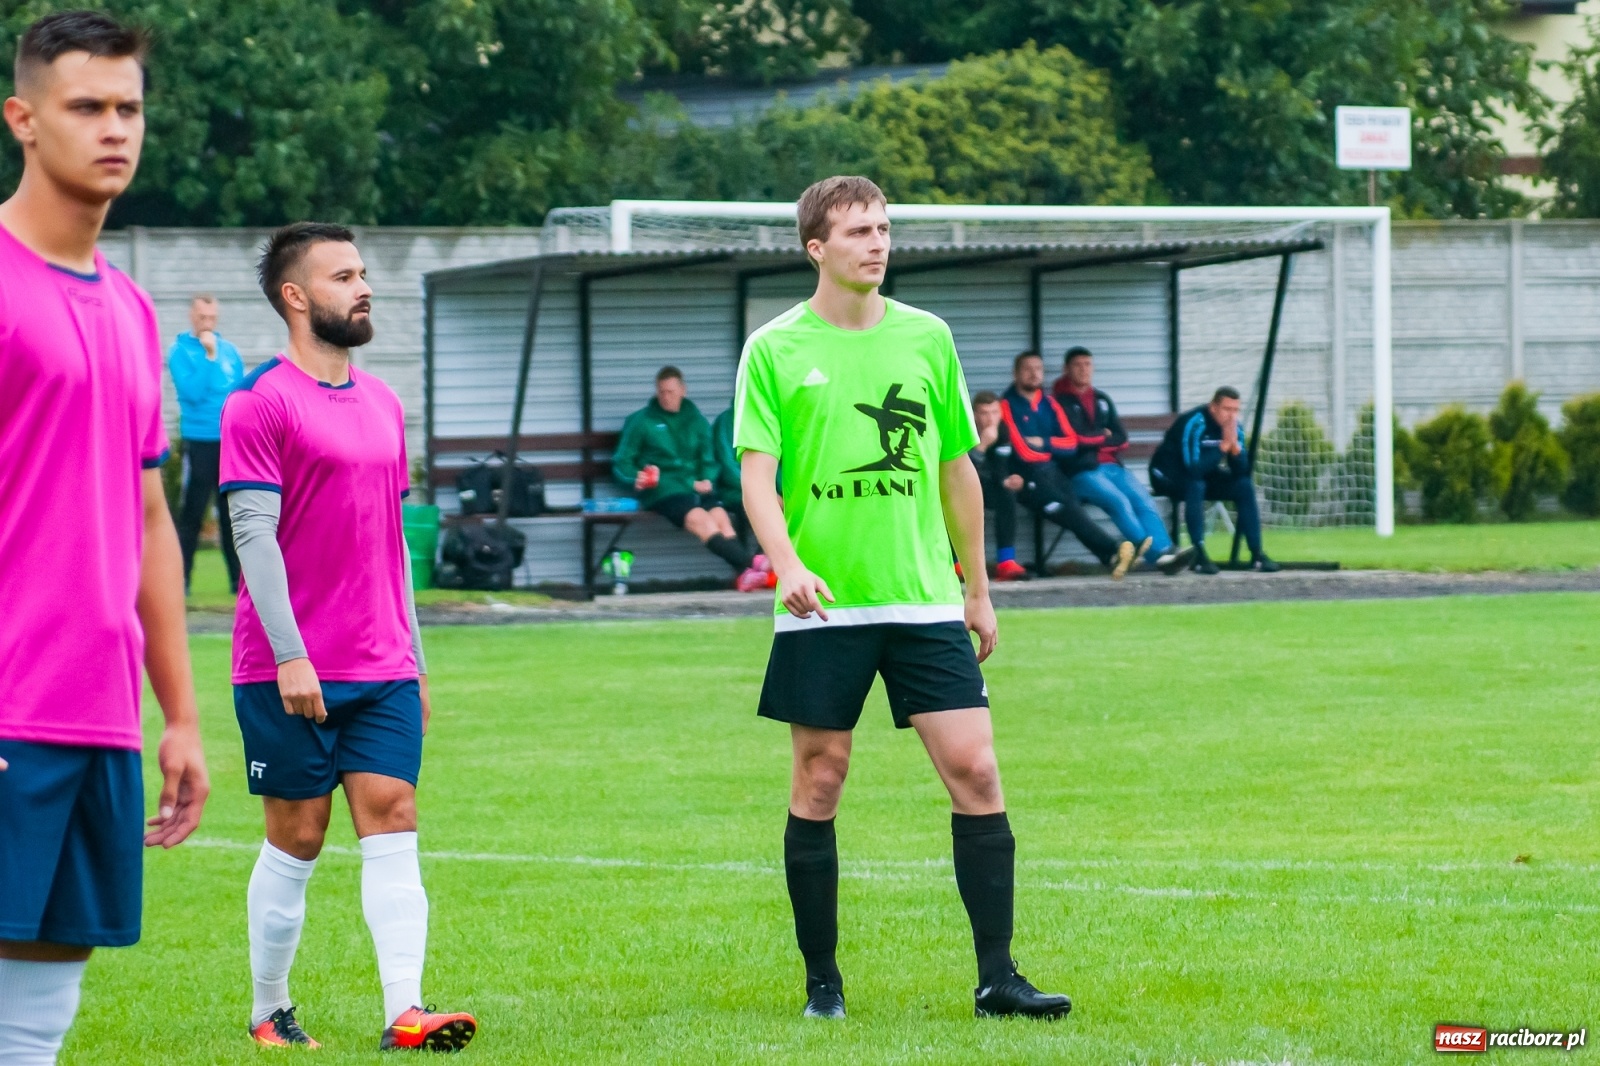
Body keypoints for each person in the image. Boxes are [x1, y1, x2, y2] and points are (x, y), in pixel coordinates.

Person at [735, 175, 1070, 1022]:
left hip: (924, 602)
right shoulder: (773, 348)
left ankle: (998, 979)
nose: (876, 243)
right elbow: (758, 481)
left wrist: (979, 590)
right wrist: (787, 565)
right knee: (820, 779)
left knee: (977, 770)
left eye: (883, 228)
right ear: (817, 247)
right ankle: (824, 987)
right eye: (857, 231)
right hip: (826, 607)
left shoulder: (928, 338)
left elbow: (959, 472)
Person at [0, 13, 209, 1064]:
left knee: (42, 1005)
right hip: (7, 699)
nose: (114, 129)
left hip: (96, 715)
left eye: (129, 107)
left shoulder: (131, 309)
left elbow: (150, 520)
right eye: (87, 107)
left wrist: (178, 713)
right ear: (23, 119)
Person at [220, 222, 476, 1051]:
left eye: (364, 271)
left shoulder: (384, 404)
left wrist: (419, 659)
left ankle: (406, 1010)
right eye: (343, 275)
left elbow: (393, 542)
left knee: (393, 814)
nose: (363, 286)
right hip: (285, 668)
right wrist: (292, 653)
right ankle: (269, 1008)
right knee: (298, 836)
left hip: (384, 667)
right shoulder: (257, 404)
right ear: (296, 297)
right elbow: (252, 537)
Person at [614, 366, 771, 591]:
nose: (666, 397)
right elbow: (621, 463)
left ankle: (744, 575)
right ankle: (753, 564)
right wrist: (635, 477)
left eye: (671, 392)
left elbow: (708, 459)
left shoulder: (696, 420)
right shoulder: (642, 421)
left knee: (722, 521)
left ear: (683, 390)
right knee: (703, 522)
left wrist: (707, 478)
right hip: (665, 490)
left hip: (698, 489)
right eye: (662, 392)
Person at [1052, 346, 1193, 575]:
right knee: (1118, 500)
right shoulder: (1058, 402)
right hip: (1081, 472)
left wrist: (1096, 439)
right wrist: (1101, 437)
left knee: (1142, 499)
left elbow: (1121, 438)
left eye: (1088, 364)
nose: (1084, 369)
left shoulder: (1101, 399)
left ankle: (1166, 549)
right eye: (1078, 365)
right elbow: (1075, 441)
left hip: (1112, 467)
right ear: (1066, 369)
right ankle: (1157, 555)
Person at [1001, 352, 1138, 578]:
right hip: (1026, 478)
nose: (1034, 374)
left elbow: (1071, 444)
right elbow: (1023, 451)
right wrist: (1052, 447)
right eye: (1027, 369)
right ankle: (1115, 550)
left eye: (1038, 369)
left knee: (1073, 510)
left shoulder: (1050, 403)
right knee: (1069, 511)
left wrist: (1043, 443)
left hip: (1053, 472)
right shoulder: (1006, 404)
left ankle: (1112, 559)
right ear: (1015, 373)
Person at [1149, 386, 1280, 574]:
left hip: (1202, 473)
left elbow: (1242, 472)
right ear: (1213, 408)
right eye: (1227, 409)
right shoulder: (1195, 423)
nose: (1231, 416)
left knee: (1244, 486)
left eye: (1235, 410)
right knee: (1196, 485)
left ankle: (1257, 554)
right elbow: (1193, 468)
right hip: (1167, 475)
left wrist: (1234, 449)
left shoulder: (1235, 427)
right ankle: (1199, 555)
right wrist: (1223, 446)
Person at [169, 292, 245, 594]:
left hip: (229, 443)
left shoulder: (230, 352)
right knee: (192, 514)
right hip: (198, 441)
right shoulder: (180, 352)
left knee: (231, 517)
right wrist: (208, 358)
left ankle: (236, 583)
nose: (207, 323)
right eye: (202, 317)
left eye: (212, 318)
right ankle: (182, 581)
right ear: (192, 316)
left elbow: (239, 395)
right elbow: (192, 393)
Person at [969, 391, 1027, 581]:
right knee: (959, 497)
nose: (990, 419)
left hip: (988, 486)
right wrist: (982, 445)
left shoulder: (1003, 431)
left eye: (994, 412)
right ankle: (956, 563)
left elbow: (999, 468)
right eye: (984, 413)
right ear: (975, 415)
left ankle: (1006, 562)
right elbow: (963, 472)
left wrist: (1008, 480)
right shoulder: (963, 430)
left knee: (1007, 495)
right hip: (966, 486)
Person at [710, 404, 748, 543]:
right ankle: (752, 562)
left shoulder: (771, 418)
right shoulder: (726, 422)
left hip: (766, 491)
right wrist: (762, 490)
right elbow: (727, 466)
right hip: (733, 491)